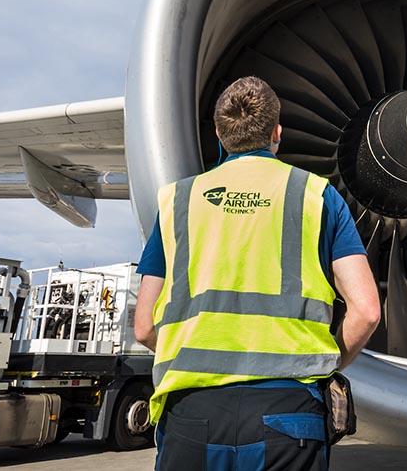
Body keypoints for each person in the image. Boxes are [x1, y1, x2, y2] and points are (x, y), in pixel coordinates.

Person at [134, 76, 380, 470]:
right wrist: (325, 362)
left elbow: (145, 327)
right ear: (276, 133)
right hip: (289, 414)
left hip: (191, 414)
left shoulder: (178, 201)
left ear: (219, 133)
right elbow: (366, 311)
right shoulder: (316, 195)